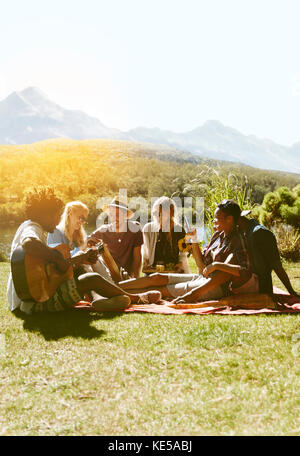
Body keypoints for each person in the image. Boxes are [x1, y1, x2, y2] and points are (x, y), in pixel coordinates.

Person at [7, 188, 161, 314]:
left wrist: (76, 259)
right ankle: (135, 298)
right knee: (91, 278)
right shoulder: (32, 229)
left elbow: (54, 265)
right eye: (56, 215)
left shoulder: (34, 228)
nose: (57, 220)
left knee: (87, 272)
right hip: (34, 302)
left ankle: (103, 298)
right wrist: (60, 258)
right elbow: (29, 243)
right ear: (45, 214)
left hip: (34, 297)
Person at [120, 200, 258, 303]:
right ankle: (114, 287)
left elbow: (234, 273)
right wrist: (194, 239)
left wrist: (193, 294)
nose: (214, 221)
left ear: (229, 219)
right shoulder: (218, 236)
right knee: (156, 278)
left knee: (163, 290)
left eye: (217, 218)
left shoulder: (237, 240)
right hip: (204, 278)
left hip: (216, 286)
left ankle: (119, 295)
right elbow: (201, 265)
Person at [238, 212, 299, 296]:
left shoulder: (260, 233)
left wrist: (291, 291)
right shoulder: (242, 232)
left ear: (237, 220)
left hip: (261, 289)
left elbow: (276, 265)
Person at [88, 197, 143, 278]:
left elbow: (137, 259)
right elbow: (87, 241)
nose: (114, 218)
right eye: (112, 214)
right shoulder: (103, 231)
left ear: (125, 215)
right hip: (107, 275)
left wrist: (136, 278)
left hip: (126, 276)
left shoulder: (135, 229)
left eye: (118, 214)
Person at [142, 196, 192, 273]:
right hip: (153, 272)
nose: (156, 216)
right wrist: (145, 263)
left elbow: (183, 254)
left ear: (170, 213)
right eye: (154, 213)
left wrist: (180, 264)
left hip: (174, 271)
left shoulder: (179, 230)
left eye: (160, 213)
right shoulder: (148, 229)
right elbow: (145, 253)